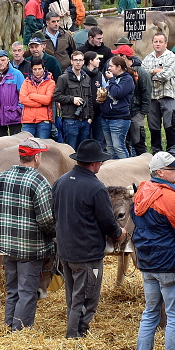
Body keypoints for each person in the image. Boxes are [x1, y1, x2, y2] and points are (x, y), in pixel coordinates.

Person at [52, 139, 126, 338]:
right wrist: (119, 234)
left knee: (72, 294)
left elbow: (55, 213)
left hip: (65, 251)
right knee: (87, 297)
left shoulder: (60, 182)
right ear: (94, 163)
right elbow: (107, 221)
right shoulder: (96, 188)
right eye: (100, 161)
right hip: (87, 254)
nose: (101, 164)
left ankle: (74, 330)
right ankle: (76, 335)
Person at [132, 151, 175, 350]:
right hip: (169, 264)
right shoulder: (168, 197)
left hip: (148, 262)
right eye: (173, 168)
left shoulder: (142, 191)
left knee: (151, 310)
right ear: (159, 172)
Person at [0, 138, 55, 331]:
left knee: (12, 291)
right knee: (27, 292)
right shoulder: (39, 181)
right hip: (31, 249)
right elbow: (46, 220)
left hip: (7, 247)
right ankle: (20, 332)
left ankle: (9, 325)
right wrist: (53, 236)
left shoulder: (2, 176)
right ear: (37, 157)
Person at [143, 33, 175, 156]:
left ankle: (172, 150)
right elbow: (143, 75)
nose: (158, 44)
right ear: (152, 43)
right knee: (153, 125)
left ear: (165, 43)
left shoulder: (172, 57)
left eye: (160, 42)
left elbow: (166, 75)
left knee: (170, 124)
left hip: (168, 95)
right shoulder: (147, 58)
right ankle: (156, 150)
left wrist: (151, 75)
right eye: (155, 41)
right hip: (152, 96)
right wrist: (154, 71)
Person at [53, 50, 93, 150]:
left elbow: (90, 99)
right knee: (70, 151)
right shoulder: (63, 78)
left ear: (84, 62)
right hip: (70, 120)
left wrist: (91, 117)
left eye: (80, 60)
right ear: (71, 61)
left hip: (85, 120)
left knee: (83, 151)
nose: (78, 62)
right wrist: (72, 99)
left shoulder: (86, 77)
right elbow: (56, 96)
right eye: (75, 60)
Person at [101, 55, 135, 159]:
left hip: (119, 118)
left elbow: (117, 93)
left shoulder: (127, 80)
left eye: (111, 66)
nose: (109, 68)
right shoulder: (113, 78)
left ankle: (126, 170)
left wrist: (111, 80)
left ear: (119, 67)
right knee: (110, 147)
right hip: (106, 117)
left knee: (118, 146)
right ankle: (113, 171)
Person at [0, 50, 25, 137]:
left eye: (3, 60)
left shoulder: (17, 74)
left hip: (13, 114)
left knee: (16, 141)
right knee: (1, 143)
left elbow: (23, 94)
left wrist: (19, 109)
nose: (0, 63)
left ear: (8, 60)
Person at [20, 58, 55, 139]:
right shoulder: (26, 82)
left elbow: (47, 100)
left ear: (44, 69)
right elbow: (22, 99)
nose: (37, 71)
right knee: (27, 147)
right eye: (35, 69)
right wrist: (40, 103)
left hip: (44, 120)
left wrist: (32, 95)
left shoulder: (51, 82)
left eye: (39, 69)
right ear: (32, 69)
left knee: (42, 147)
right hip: (28, 120)